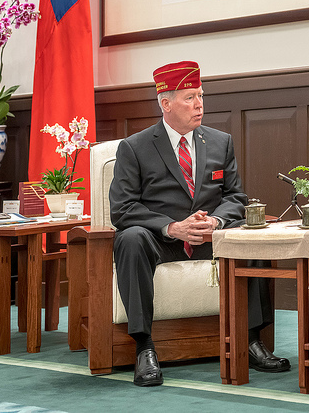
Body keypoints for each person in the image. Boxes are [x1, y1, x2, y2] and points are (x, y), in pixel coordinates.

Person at [109, 61, 290, 387]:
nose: (199, 104)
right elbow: (122, 209)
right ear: (166, 103)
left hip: (211, 237)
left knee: (255, 231)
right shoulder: (134, 148)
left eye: (201, 96)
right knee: (130, 238)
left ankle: (251, 340)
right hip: (160, 242)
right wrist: (171, 227)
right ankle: (144, 347)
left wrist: (218, 220)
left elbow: (237, 196)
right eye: (190, 97)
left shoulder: (220, 142)